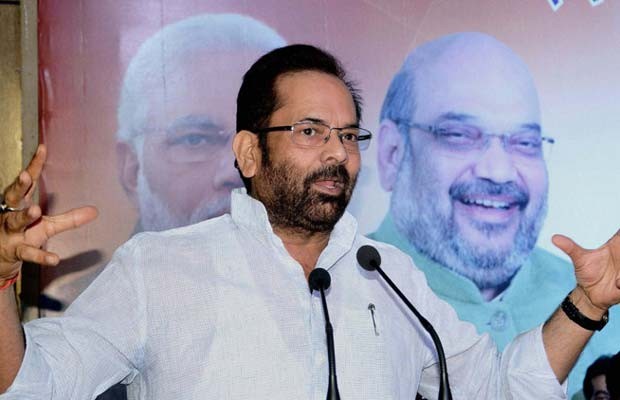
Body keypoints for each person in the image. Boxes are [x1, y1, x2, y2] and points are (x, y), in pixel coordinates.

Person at [1, 44, 619, 399]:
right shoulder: (157, 268)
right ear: (249, 153)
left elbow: (499, 389)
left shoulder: (390, 274)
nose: (337, 153)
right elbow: (32, 385)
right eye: (309, 131)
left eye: (348, 134)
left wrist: (587, 304)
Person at [371, 31, 620, 395]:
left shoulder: (601, 295)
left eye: (524, 142)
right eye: (459, 135)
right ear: (392, 152)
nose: (499, 171)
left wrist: (589, 301)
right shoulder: (343, 287)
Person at [41, 12, 286, 308]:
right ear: (132, 170)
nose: (234, 171)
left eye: (260, 143)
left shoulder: (326, 294)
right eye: (196, 140)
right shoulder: (85, 310)